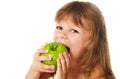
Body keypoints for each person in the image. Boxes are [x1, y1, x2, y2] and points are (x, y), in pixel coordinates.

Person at [25, 1, 115, 79]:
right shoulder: (54, 65)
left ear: (91, 41)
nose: (62, 35)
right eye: (59, 27)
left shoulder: (98, 76)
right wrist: (34, 70)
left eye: (74, 30)